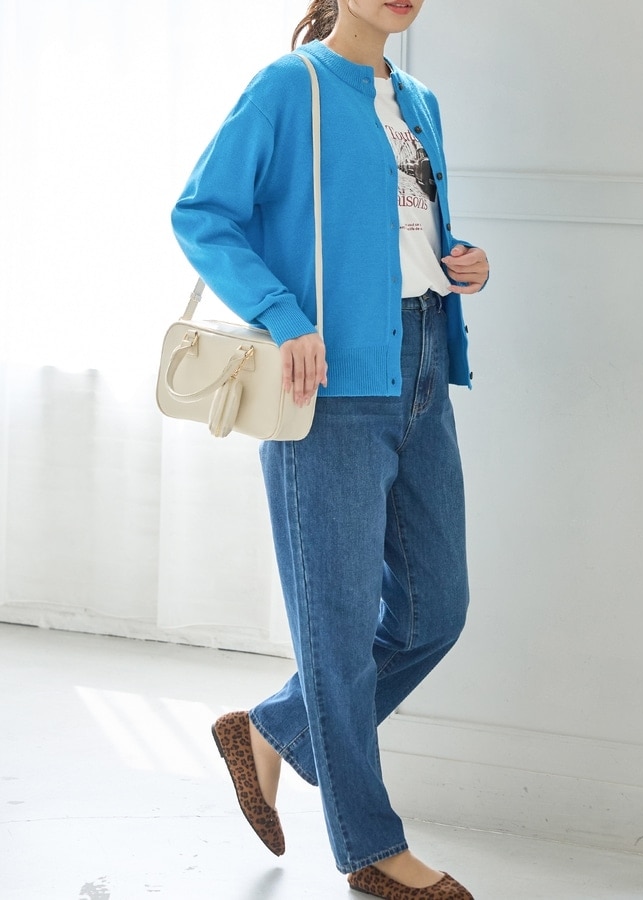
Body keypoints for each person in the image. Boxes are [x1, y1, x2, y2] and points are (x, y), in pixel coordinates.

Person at [171, 1, 489, 897]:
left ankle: (271, 731)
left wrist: (460, 260)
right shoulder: (290, 86)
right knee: (339, 632)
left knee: (436, 611)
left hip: (423, 367)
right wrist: (282, 316)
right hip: (327, 386)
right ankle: (371, 850)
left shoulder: (419, 100)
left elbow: (399, 235)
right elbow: (203, 214)